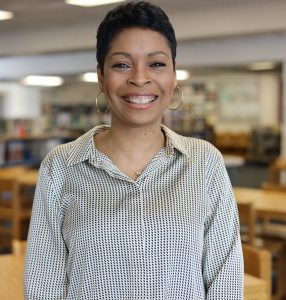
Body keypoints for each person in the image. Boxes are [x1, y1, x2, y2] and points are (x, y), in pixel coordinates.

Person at [24, 1, 243, 299]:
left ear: (173, 75)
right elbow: (43, 286)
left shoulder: (204, 162)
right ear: (101, 76)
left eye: (156, 64)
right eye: (122, 64)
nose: (139, 78)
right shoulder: (61, 166)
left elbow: (225, 283)